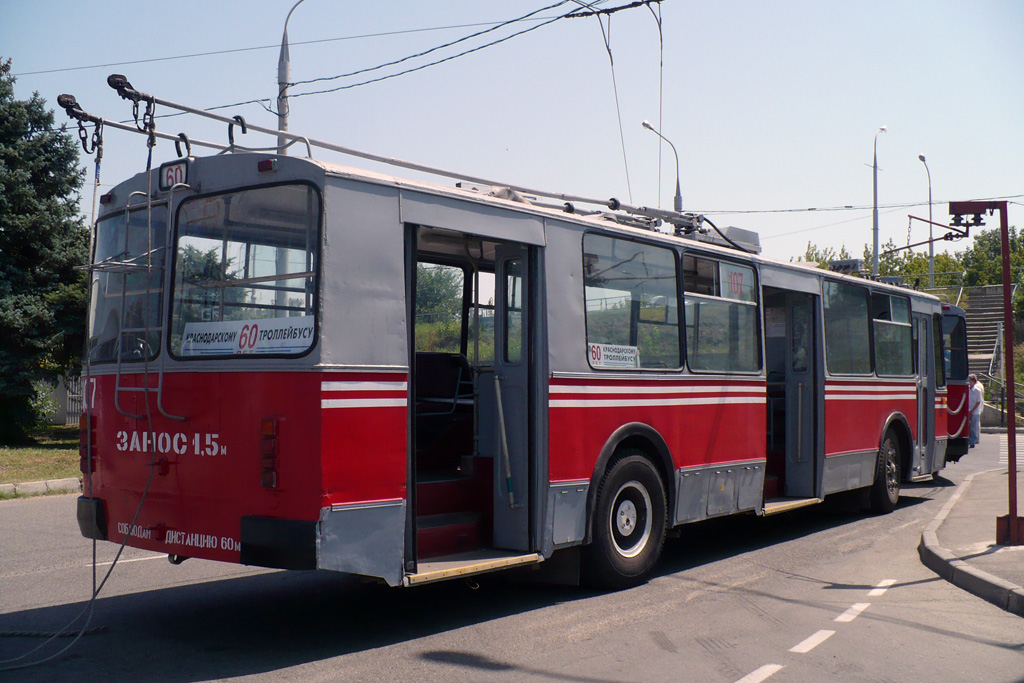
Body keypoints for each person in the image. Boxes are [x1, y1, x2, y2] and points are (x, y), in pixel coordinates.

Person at [968, 374, 984, 448]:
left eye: (970, 381)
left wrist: (972, 410)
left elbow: (978, 402)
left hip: (974, 411)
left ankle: (972, 441)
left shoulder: (977, 390)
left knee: (974, 427)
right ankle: (968, 440)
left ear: (974, 381)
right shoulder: (967, 390)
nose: (969, 382)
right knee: (968, 427)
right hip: (968, 410)